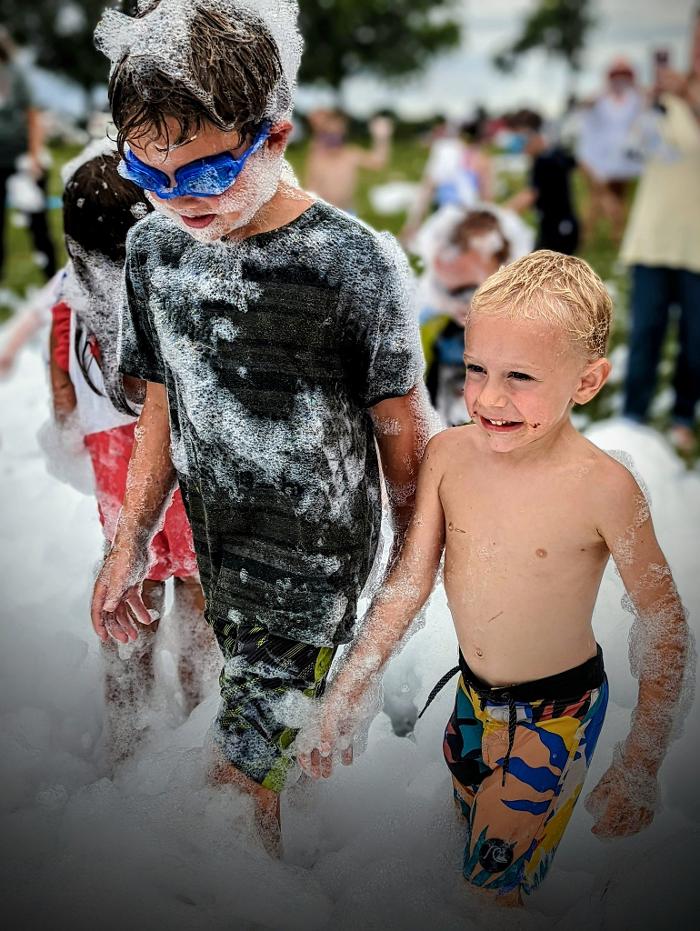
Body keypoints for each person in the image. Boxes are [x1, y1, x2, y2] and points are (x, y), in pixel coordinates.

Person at [89, 0, 429, 847]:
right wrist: (128, 537)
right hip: (222, 552)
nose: (177, 199)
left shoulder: (353, 262)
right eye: (149, 173)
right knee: (254, 776)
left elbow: (403, 440)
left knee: (231, 791)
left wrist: (394, 610)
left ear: (272, 137)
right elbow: (165, 398)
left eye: (202, 173)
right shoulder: (155, 252)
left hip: (317, 572)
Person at [301, 250, 691, 905]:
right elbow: (407, 584)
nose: (489, 397)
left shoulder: (604, 488)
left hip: (555, 713)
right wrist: (349, 690)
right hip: (472, 699)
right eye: (477, 368)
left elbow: (664, 621)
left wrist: (641, 761)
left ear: (588, 381)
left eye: (520, 376)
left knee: (488, 892)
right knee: (471, 856)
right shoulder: (450, 457)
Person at [50, 146, 211, 760]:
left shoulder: (71, 294)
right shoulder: (169, 291)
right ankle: (200, 725)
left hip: (118, 482)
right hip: (179, 475)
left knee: (127, 599)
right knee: (198, 598)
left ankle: (127, 742)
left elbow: (62, 390)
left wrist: (71, 434)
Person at [621, 10, 700, 454]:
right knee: (646, 330)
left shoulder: (687, 97)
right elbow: (631, 151)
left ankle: (683, 415)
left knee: (695, 339)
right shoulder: (663, 99)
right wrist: (645, 104)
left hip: (697, 245)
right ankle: (633, 416)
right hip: (653, 239)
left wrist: (688, 97)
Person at [0, 25, 56, 281]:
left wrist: (34, 157)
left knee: (38, 226)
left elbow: (33, 116)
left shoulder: (15, 74)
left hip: (24, 162)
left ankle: (51, 281)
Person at [577, 58, 643, 245]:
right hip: (595, 159)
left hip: (622, 161)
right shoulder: (600, 97)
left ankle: (616, 236)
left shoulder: (634, 99)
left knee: (618, 197)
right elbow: (584, 105)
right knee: (598, 197)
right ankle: (588, 236)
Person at [401, 116, 494, 245]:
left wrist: (411, 227)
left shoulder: (446, 155)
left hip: (443, 214)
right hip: (467, 216)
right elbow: (487, 198)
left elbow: (426, 192)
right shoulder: (483, 161)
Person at [505, 109, 579, 256]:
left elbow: (530, 195)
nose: (521, 147)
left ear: (534, 135)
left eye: (522, 140)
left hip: (558, 229)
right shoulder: (553, 155)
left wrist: (499, 214)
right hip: (557, 226)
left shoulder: (545, 161)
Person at [304, 109, 392, 213]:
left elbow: (378, 163)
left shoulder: (350, 154)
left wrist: (381, 138)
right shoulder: (317, 155)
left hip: (348, 213)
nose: (334, 136)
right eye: (329, 132)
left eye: (338, 132)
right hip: (323, 214)